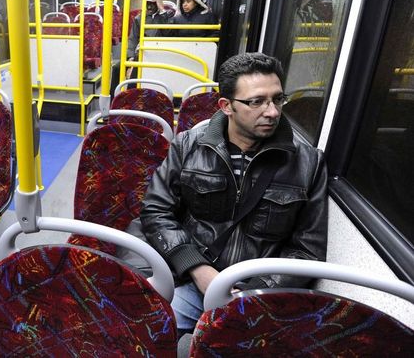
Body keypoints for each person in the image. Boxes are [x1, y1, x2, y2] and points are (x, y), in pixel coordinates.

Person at [140, 52, 328, 335]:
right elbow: (156, 211)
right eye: (257, 102)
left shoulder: (309, 163)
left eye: (278, 99)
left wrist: (257, 289)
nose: (273, 112)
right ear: (226, 106)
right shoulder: (189, 146)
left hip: (260, 292)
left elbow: (308, 250)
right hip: (193, 281)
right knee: (146, 332)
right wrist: (197, 268)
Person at [112, 0, 174, 94]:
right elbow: (133, 38)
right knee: (117, 68)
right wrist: (130, 56)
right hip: (142, 52)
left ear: (158, 4)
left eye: (152, 4)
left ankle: (131, 95)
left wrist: (162, 9)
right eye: (147, 4)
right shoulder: (139, 18)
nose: (149, 7)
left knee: (136, 71)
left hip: (160, 53)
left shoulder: (166, 17)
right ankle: (113, 98)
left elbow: (168, 32)